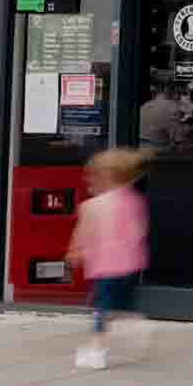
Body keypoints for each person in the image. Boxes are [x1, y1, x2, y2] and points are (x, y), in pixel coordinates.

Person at [66, 147, 152, 370]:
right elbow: (139, 232)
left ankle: (96, 351)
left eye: (92, 176)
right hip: (129, 265)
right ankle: (134, 325)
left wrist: (75, 252)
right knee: (119, 304)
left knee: (101, 310)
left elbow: (83, 234)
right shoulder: (134, 201)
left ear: (105, 178)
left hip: (105, 267)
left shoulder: (92, 206)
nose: (88, 181)